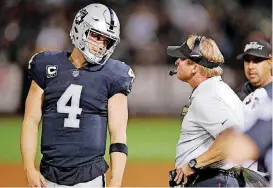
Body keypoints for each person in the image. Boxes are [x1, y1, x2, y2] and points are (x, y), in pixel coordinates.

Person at [20, 3, 135, 187]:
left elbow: (118, 136)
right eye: (96, 36)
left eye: (106, 41)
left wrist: (116, 183)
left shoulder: (114, 74)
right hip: (48, 175)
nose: (100, 45)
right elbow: (31, 120)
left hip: (90, 178)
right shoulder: (46, 65)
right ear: (81, 28)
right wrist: (29, 168)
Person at [167, 35, 244, 187]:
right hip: (222, 179)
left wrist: (193, 164)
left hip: (211, 180)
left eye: (181, 59)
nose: (176, 62)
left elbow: (231, 137)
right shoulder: (219, 89)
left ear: (195, 66)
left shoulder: (207, 95)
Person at [236, 40, 272, 177]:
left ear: (270, 62)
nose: (251, 66)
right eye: (247, 60)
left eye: (257, 60)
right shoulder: (238, 95)